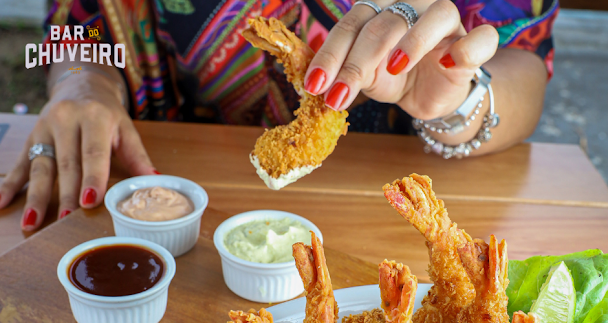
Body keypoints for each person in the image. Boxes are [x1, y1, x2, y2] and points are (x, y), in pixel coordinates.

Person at [0, 0, 558, 231]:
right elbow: (79, 27)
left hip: (392, 214)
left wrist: (458, 100)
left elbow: (526, 60)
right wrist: (82, 82)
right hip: (184, 200)